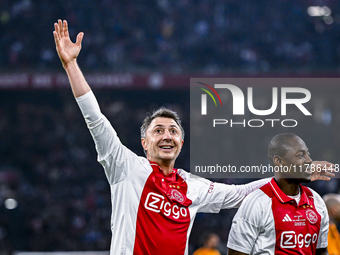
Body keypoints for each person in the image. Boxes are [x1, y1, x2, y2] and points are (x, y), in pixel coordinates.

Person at [53, 20, 334, 255]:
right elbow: (95, 119)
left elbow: (239, 194)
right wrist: (71, 66)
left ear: (181, 144)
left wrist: (300, 170)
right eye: (158, 130)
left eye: (173, 131)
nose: (167, 135)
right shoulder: (126, 167)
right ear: (144, 143)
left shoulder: (192, 186)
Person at [227, 133, 331, 255]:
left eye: (308, 154)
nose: (309, 160)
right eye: (300, 156)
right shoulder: (256, 203)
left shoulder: (316, 201)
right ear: (279, 161)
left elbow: (321, 251)